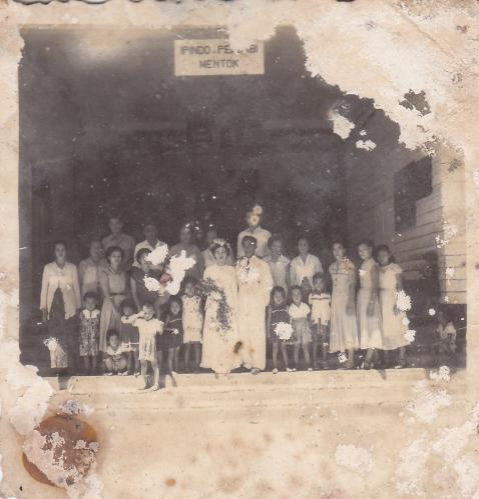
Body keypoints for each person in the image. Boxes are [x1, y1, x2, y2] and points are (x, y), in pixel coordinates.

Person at [40, 241, 81, 373]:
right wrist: (44, 309)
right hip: (53, 308)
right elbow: (44, 289)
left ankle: (69, 367)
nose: (60, 252)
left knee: (68, 335)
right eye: (58, 249)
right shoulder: (48, 268)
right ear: (54, 252)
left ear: (66, 251)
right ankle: (57, 367)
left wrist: (78, 308)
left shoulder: (72, 268)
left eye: (63, 249)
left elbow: (76, 289)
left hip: (68, 307)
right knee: (54, 336)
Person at [201, 241, 241, 374]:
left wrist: (234, 307)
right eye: (217, 252)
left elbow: (234, 289)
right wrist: (213, 294)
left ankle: (229, 362)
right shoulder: (209, 270)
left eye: (223, 252)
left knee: (227, 332)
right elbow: (205, 289)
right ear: (213, 255)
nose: (220, 255)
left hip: (228, 304)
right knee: (215, 332)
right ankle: (215, 362)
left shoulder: (231, 270)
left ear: (227, 254)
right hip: (214, 305)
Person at [236, 236, 273, 374]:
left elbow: (268, 284)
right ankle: (246, 362)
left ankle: (258, 364)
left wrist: (263, 301)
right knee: (243, 331)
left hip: (257, 302)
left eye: (250, 245)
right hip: (242, 301)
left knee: (257, 332)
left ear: (255, 246)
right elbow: (236, 283)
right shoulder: (238, 264)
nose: (248, 248)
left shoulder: (262, 264)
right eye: (245, 245)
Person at [376, 245, 410, 368]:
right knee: (384, 329)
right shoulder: (377, 269)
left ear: (389, 255)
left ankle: (401, 359)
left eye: (384, 255)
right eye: (379, 255)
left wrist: (398, 303)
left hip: (393, 300)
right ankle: (386, 360)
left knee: (397, 327)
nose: (381, 258)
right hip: (381, 301)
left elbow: (400, 287)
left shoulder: (395, 268)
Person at [329, 242, 359, 369]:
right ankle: (343, 360)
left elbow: (352, 285)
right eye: (334, 249)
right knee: (338, 328)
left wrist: (351, 302)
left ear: (344, 250)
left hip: (346, 300)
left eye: (339, 248)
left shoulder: (349, 265)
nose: (336, 251)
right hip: (335, 301)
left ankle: (351, 360)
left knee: (348, 328)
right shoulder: (331, 267)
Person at [122, 302, 163, 390]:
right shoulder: (140, 321)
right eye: (145, 313)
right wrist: (138, 315)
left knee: (154, 364)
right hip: (142, 344)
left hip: (151, 344)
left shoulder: (155, 321)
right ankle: (145, 383)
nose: (147, 315)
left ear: (153, 312)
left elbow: (160, 332)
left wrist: (161, 326)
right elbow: (127, 321)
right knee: (143, 364)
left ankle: (156, 384)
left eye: (149, 313)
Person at [357, 240, 383, 369]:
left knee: (372, 327)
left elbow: (375, 285)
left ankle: (367, 360)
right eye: (359, 250)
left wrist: (372, 303)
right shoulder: (363, 264)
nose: (362, 252)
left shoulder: (373, 265)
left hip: (370, 297)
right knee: (366, 327)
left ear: (371, 249)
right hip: (362, 297)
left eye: (364, 249)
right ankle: (376, 359)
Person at [99, 246, 128, 354]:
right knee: (109, 328)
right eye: (114, 256)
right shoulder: (105, 273)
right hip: (110, 304)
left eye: (119, 256)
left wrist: (124, 307)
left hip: (122, 303)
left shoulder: (123, 272)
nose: (117, 258)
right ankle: (107, 358)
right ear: (109, 257)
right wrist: (115, 309)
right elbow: (106, 294)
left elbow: (126, 290)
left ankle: (120, 357)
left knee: (121, 329)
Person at [267, 286, 293, 373]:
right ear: (272, 297)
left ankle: (287, 366)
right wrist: (268, 333)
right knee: (275, 348)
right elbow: (268, 320)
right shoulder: (270, 307)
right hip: (274, 331)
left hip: (284, 330)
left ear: (284, 297)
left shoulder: (286, 307)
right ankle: (275, 367)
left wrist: (289, 331)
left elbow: (289, 319)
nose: (278, 298)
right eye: (276, 296)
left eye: (280, 296)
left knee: (283, 348)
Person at [130, 248, 163, 316]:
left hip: (154, 305)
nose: (146, 260)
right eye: (143, 258)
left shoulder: (155, 274)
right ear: (139, 259)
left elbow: (159, 292)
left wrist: (156, 306)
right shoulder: (134, 275)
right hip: (141, 305)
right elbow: (134, 293)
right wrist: (139, 308)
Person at [309, 272, 331, 370]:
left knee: (324, 341)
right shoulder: (311, 296)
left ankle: (324, 360)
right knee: (315, 341)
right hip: (315, 322)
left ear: (324, 283)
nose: (318, 285)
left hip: (324, 322)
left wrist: (328, 321)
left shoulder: (328, 296)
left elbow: (328, 309)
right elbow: (311, 309)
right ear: (313, 284)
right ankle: (314, 361)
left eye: (320, 282)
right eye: (316, 283)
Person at [289, 285, 313, 371]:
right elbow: (290, 321)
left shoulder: (305, 306)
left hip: (304, 328)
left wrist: (309, 324)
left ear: (302, 295)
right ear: (291, 296)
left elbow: (309, 317)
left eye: (298, 294)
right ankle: (295, 365)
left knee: (305, 346)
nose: (296, 296)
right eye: (294, 294)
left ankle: (308, 365)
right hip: (296, 329)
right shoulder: (291, 308)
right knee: (296, 347)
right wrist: (292, 331)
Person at [181, 277, 203, 372]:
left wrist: (201, 326)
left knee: (197, 346)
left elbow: (201, 312)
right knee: (187, 346)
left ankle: (197, 366)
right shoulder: (183, 298)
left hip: (196, 324)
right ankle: (186, 366)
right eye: (187, 287)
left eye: (191, 287)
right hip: (187, 324)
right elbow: (182, 312)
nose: (189, 289)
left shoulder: (198, 299)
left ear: (195, 288)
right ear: (184, 289)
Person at [160, 297, 184, 375]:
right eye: (173, 306)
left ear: (180, 307)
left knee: (176, 355)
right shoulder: (169, 316)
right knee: (171, 355)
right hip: (171, 338)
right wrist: (171, 329)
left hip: (178, 338)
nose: (175, 308)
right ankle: (171, 371)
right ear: (170, 308)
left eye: (177, 306)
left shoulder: (181, 316)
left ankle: (177, 369)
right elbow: (164, 327)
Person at [78, 291, 100, 374]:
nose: (90, 304)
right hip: (84, 337)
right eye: (88, 302)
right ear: (84, 303)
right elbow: (80, 325)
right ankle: (86, 368)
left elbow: (100, 324)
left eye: (92, 302)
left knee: (94, 353)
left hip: (94, 336)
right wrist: (80, 336)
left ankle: (94, 368)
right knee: (85, 353)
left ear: (96, 302)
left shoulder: (98, 312)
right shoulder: (82, 313)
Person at [119, 299, 140, 376]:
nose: (126, 310)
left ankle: (137, 370)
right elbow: (121, 329)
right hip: (126, 339)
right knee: (128, 356)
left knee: (136, 355)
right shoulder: (122, 318)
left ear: (133, 309)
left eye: (128, 308)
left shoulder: (135, 317)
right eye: (125, 309)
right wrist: (121, 338)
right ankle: (129, 370)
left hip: (135, 339)